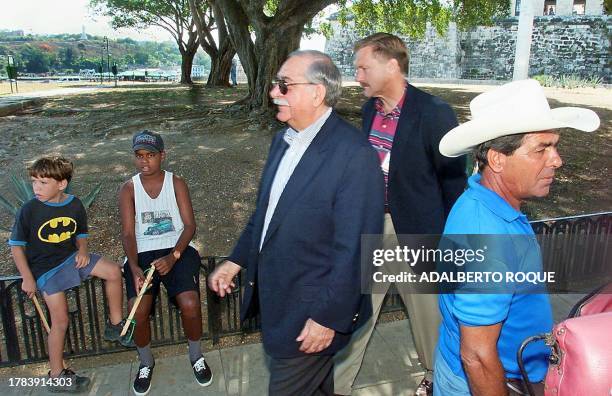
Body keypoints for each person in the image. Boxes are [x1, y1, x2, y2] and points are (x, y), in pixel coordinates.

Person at [208, 50, 384, 395]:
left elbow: (357, 250)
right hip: (279, 304)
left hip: (312, 315)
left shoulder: (354, 156)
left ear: (317, 93)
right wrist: (234, 261)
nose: (273, 92)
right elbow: (266, 214)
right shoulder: (281, 141)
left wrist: (328, 319)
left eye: (284, 86)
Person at [435, 79, 600, 395]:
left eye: (555, 145)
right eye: (541, 148)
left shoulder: (482, 201)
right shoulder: (488, 237)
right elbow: (478, 357)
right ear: (497, 159)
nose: (557, 159)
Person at [334, 32, 466, 396]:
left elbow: (454, 183)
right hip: (372, 229)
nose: (357, 75)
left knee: (429, 318)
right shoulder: (367, 111)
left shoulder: (434, 113)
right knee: (357, 312)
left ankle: (434, 376)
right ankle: (336, 386)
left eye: (363, 67)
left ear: (392, 65)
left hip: (419, 234)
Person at [9, 156, 129, 393]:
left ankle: (115, 325)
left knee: (113, 271)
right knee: (60, 321)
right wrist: (28, 277)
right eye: (34, 182)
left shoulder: (74, 204)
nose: (36, 188)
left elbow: (81, 233)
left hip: (70, 259)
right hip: (46, 270)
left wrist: (83, 250)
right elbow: (16, 246)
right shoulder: (29, 210)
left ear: (61, 184)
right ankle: (56, 375)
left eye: (43, 183)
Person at [119, 130, 212, 395]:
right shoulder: (128, 188)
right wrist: (134, 266)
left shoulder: (177, 183)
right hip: (142, 254)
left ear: (162, 155)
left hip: (177, 249)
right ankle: (146, 362)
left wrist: (173, 257)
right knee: (137, 311)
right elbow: (127, 232)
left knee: (190, 303)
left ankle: (196, 355)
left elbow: (190, 226)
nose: (144, 161)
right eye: (139, 156)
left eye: (150, 155)